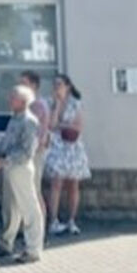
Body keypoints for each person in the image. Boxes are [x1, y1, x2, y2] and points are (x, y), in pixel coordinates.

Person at [0, 84, 43, 264]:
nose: (9, 100)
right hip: (10, 167)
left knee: (29, 208)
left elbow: (27, 151)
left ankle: (33, 249)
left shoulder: (29, 121)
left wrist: (5, 161)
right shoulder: (14, 120)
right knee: (10, 207)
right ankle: (6, 243)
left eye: (13, 97)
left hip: (20, 167)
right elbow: (6, 143)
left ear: (23, 101)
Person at [45, 73, 90, 236]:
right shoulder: (50, 103)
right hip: (57, 146)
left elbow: (78, 126)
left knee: (73, 184)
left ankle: (72, 220)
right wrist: (57, 105)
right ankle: (53, 220)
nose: (56, 87)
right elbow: (51, 125)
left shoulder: (76, 104)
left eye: (59, 84)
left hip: (73, 146)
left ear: (67, 86)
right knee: (56, 183)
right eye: (55, 84)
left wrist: (61, 125)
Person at [20, 70, 52, 222]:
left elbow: (36, 132)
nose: (20, 87)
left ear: (33, 85)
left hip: (34, 153)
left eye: (24, 83)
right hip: (31, 151)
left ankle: (39, 227)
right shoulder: (32, 104)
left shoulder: (36, 105)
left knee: (33, 189)